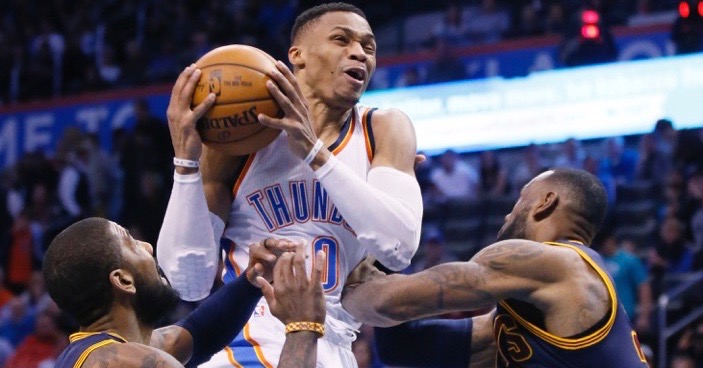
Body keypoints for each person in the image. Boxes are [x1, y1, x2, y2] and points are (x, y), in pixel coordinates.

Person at [157, 2, 422, 367]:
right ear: (298, 56)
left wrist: (315, 153)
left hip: (331, 344)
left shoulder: (383, 128)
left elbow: (399, 247)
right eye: (341, 40)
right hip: (244, 340)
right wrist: (186, 164)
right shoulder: (243, 137)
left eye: (368, 46)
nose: (359, 52)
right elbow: (187, 281)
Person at [342, 168, 650, 367]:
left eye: (519, 200)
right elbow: (403, 347)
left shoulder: (556, 264)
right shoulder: (533, 319)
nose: (507, 215)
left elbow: (387, 302)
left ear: (545, 202)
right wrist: (379, 260)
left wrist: (343, 281)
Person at [43, 217, 326, 368]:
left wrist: (251, 281)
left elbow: (196, 333)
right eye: (131, 243)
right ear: (123, 281)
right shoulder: (125, 363)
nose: (148, 247)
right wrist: (304, 325)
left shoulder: (99, 352)